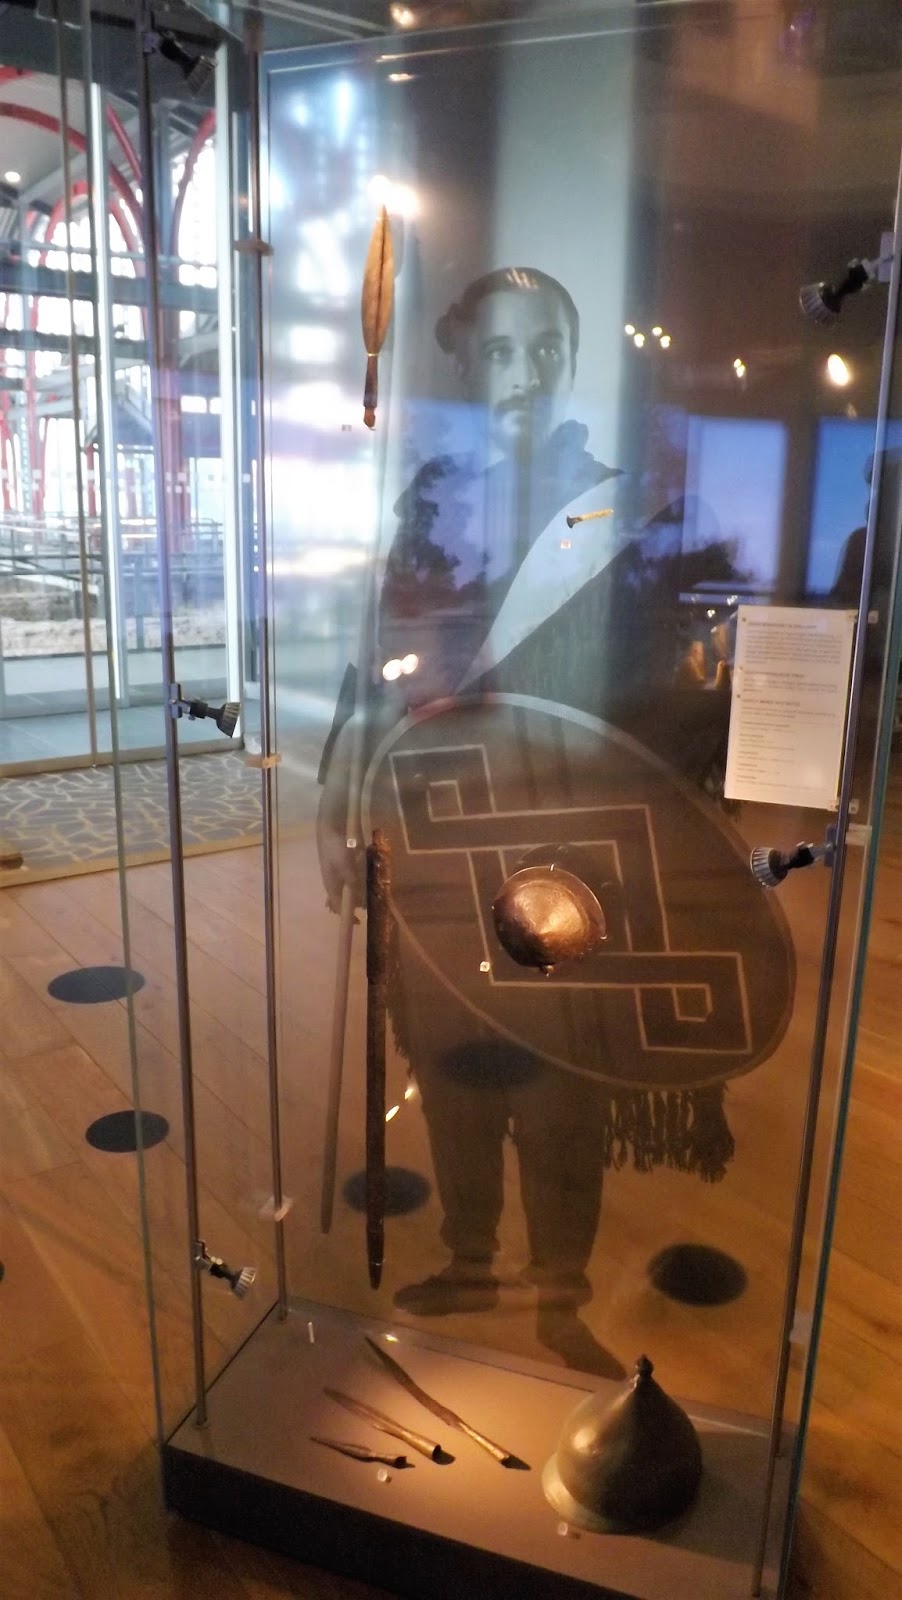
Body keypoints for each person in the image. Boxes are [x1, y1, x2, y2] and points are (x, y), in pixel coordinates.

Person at [318, 268, 735, 1348]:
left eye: (545, 348)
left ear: (571, 362)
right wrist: (340, 796)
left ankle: (558, 1294)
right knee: (452, 1062)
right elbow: (373, 671)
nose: (523, 372)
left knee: (560, 1087)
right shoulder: (430, 507)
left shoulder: (614, 510)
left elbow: (665, 698)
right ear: (469, 364)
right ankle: (469, 1262)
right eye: (500, 350)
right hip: (437, 831)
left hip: (566, 843)